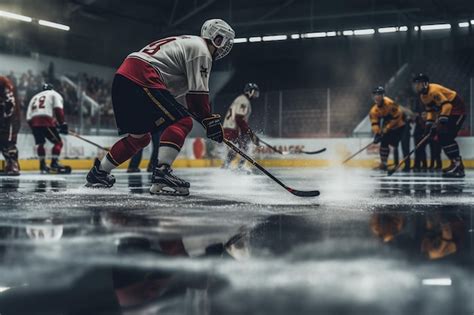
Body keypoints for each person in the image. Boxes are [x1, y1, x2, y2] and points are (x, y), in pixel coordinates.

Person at [86, 19, 235, 196]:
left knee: (139, 138)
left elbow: (190, 101)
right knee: (183, 122)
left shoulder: (189, 44)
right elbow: (197, 98)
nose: (225, 47)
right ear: (216, 38)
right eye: (224, 40)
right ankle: (162, 174)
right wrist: (210, 122)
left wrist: (206, 120)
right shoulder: (202, 51)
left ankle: (99, 173)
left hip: (125, 77)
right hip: (142, 74)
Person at [412, 73, 466, 177]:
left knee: (447, 136)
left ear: (426, 84)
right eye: (415, 84)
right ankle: (454, 163)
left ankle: (458, 166)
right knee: (442, 137)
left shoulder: (434, 91)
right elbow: (431, 111)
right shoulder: (423, 96)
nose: (416, 86)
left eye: (418, 84)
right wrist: (428, 127)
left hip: (457, 109)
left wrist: (441, 121)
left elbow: (447, 105)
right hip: (448, 111)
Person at [26, 83, 70, 173]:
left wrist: (34, 126)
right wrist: (62, 123)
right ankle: (54, 163)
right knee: (58, 143)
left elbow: (28, 116)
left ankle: (42, 165)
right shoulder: (54, 93)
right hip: (45, 120)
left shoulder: (35, 97)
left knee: (40, 144)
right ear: (52, 88)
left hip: (34, 122)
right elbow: (58, 110)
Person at [222, 83, 260, 170]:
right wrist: (250, 134)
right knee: (240, 148)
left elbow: (240, 120)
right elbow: (239, 119)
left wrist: (248, 133)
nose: (255, 95)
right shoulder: (244, 101)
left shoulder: (241, 99)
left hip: (230, 128)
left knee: (243, 147)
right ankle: (231, 167)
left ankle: (230, 167)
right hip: (231, 129)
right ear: (249, 91)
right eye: (254, 92)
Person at [369, 86, 406, 171]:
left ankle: (403, 164)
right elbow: (375, 123)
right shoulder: (373, 111)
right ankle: (384, 163)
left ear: (383, 96)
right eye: (375, 95)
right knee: (384, 142)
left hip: (401, 125)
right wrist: (377, 133)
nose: (376, 97)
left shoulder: (390, 103)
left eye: (379, 94)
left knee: (401, 145)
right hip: (390, 126)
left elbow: (397, 117)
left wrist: (386, 128)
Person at [0, 76, 21, 175]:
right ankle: (9, 163)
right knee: (1, 142)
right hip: (3, 115)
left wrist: (5, 116)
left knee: (9, 141)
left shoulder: (3, 81)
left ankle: (13, 164)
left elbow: (10, 102)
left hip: (11, 118)